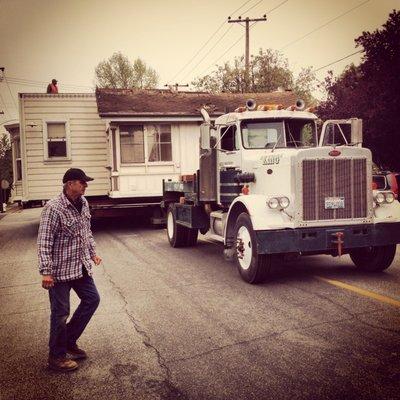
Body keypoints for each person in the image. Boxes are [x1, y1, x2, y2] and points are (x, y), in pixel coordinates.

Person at [37, 168, 102, 372]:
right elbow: (44, 241)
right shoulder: (53, 208)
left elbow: (86, 231)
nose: (86, 185)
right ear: (70, 184)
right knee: (60, 313)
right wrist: (46, 271)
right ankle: (56, 357)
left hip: (80, 265)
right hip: (59, 271)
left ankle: (68, 341)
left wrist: (92, 252)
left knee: (92, 299)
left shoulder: (83, 203)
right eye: (82, 182)